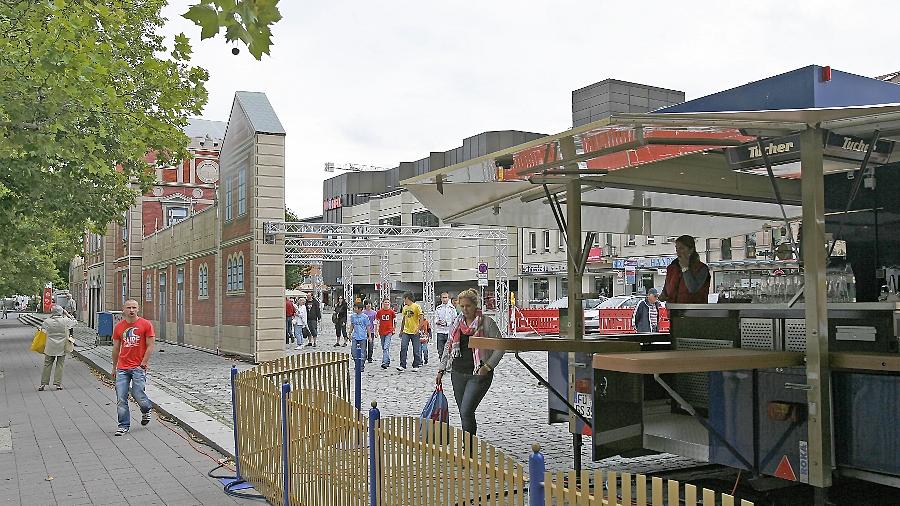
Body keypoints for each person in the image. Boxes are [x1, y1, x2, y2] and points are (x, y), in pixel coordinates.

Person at [435, 288, 506, 437]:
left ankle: (469, 448)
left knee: (467, 410)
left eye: (468, 306)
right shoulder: (457, 322)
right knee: (463, 412)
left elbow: (500, 347)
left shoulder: (486, 322)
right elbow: (449, 345)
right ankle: (468, 447)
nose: (465, 309)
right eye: (462, 306)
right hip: (458, 373)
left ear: (475, 305)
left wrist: (487, 366)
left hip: (478, 374)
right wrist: (441, 369)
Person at [111, 299, 155, 436]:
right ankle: (123, 425)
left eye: (134, 307)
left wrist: (144, 362)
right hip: (122, 367)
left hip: (138, 366)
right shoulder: (119, 327)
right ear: (123, 310)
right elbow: (116, 348)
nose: (131, 310)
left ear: (138, 309)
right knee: (121, 397)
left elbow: (150, 345)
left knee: (138, 394)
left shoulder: (145, 324)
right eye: (129, 307)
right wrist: (114, 367)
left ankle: (146, 408)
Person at [660, 235, 711, 304]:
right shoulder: (672, 267)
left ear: (691, 250)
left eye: (681, 248)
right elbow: (666, 290)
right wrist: (663, 296)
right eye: (676, 248)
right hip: (673, 311)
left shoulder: (701, 268)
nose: (678, 252)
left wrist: (685, 268)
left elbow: (693, 288)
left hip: (694, 312)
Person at [37, 305, 76, 391]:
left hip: (50, 346)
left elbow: (43, 330)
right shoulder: (65, 321)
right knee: (60, 364)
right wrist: (68, 314)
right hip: (62, 346)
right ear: (61, 312)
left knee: (47, 364)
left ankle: (43, 384)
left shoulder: (47, 321)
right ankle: (58, 384)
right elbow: (75, 322)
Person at [396, 292, 424, 372]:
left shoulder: (416, 306)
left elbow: (421, 317)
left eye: (404, 299)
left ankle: (416, 364)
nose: (403, 300)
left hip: (415, 331)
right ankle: (402, 365)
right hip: (406, 331)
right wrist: (401, 330)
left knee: (416, 349)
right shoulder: (404, 307)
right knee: (403, 347)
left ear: (407, 298)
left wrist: (418, 329)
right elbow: (404, 319)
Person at [434, 292, 457, 361]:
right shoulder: (438, 308)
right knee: (440, 350)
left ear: (448, 298)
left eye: (446, 297)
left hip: (448, 332)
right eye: (443, 297)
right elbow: (436, 319)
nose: (444, 299)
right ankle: (442, 364)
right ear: (441, 299)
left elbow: (455, 320)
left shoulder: (452, 308)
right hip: (440, 331)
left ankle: (448, 364)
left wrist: (447, 323)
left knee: (449, 350)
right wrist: (438, 322)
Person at [374, 298, 396, 369]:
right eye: (385, 302)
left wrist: (394, 329)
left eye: (388, 302)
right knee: (384, 347)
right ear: (383, 303)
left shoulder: (391, 312)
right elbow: (377, 321)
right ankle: (387, 360)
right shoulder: (379, 312)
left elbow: (394, 321)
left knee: (386, 347)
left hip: (389, 331)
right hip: (381, 331)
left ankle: (385, 362)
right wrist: (376, 331)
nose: (386, 304)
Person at [349, 303, 372, 368]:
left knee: (362, 352)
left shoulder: (365, 317)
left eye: (356, 308)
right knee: (353, 351)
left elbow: (368, 327)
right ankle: (357, 363)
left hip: (363, 337)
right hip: (355, 336)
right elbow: (352, 325)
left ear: (360, 309)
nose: (354, 309)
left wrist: (369, 336)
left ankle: (361, 365)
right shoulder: (353, 316)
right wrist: (350, 333)